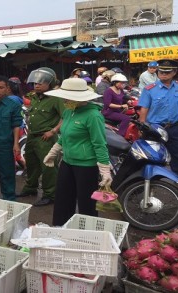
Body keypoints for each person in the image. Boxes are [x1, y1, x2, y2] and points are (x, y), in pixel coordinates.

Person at [43, 78, 111, 226]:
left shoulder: (93, 116)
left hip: (86, 165)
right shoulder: (69, 112)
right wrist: (53, 152)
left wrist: (105, 169)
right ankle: (61, 229)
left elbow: (99, 144)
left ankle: (88, 234)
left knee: (87, 204)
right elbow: (64, 136)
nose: (65, 101)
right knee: (63, 199)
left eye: (68, 98)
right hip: (67, 162)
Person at [138, 59, 178, 181]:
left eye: (167, 72)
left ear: (174, 72)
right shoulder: (149, 89)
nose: (163, 74)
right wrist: (142, 126)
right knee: (153, 155)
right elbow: (144, 108)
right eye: (161, 72)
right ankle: (151, 182)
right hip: (155, 128)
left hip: (174, 127)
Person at [20, 68, 64, 207]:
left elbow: (65, 117)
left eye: (40, 83)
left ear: (49, 83)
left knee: (48, 167)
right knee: (31, 164)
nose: (36, 85)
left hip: (45, 138)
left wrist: (53, 131)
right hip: (32, 136)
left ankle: (50, 195)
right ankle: (30, 188)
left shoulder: (56, 99)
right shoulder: (34, 97)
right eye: (34, 83)